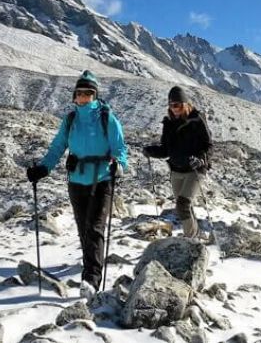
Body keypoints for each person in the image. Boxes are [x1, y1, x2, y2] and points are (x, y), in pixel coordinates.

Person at [26, 70, 127, 299]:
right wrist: (43, 168)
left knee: (94, 228)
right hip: (76, 181)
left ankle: (90, 279)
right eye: (80, 93)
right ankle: (89, 265)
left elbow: (120, 148)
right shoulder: (70, 119)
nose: (83, 97)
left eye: (88, 94)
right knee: (83, 230)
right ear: (74, 95)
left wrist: (119, 165)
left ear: (94, 95)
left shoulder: (107, 118)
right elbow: (57, 147)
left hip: (101, 180)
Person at [142, 86, 212, 238]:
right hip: (176, 171)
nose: (175, 108)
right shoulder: (168, 123)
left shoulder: (197, 119)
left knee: (183, 204)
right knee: (185, 207)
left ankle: (191, 240)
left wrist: (201, 159)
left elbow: (208, 145)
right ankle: (197, 235)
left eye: (178, 105)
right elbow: (166, 150)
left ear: (186, 104)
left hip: (195, 169)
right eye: (172, 105)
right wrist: (151, 151)